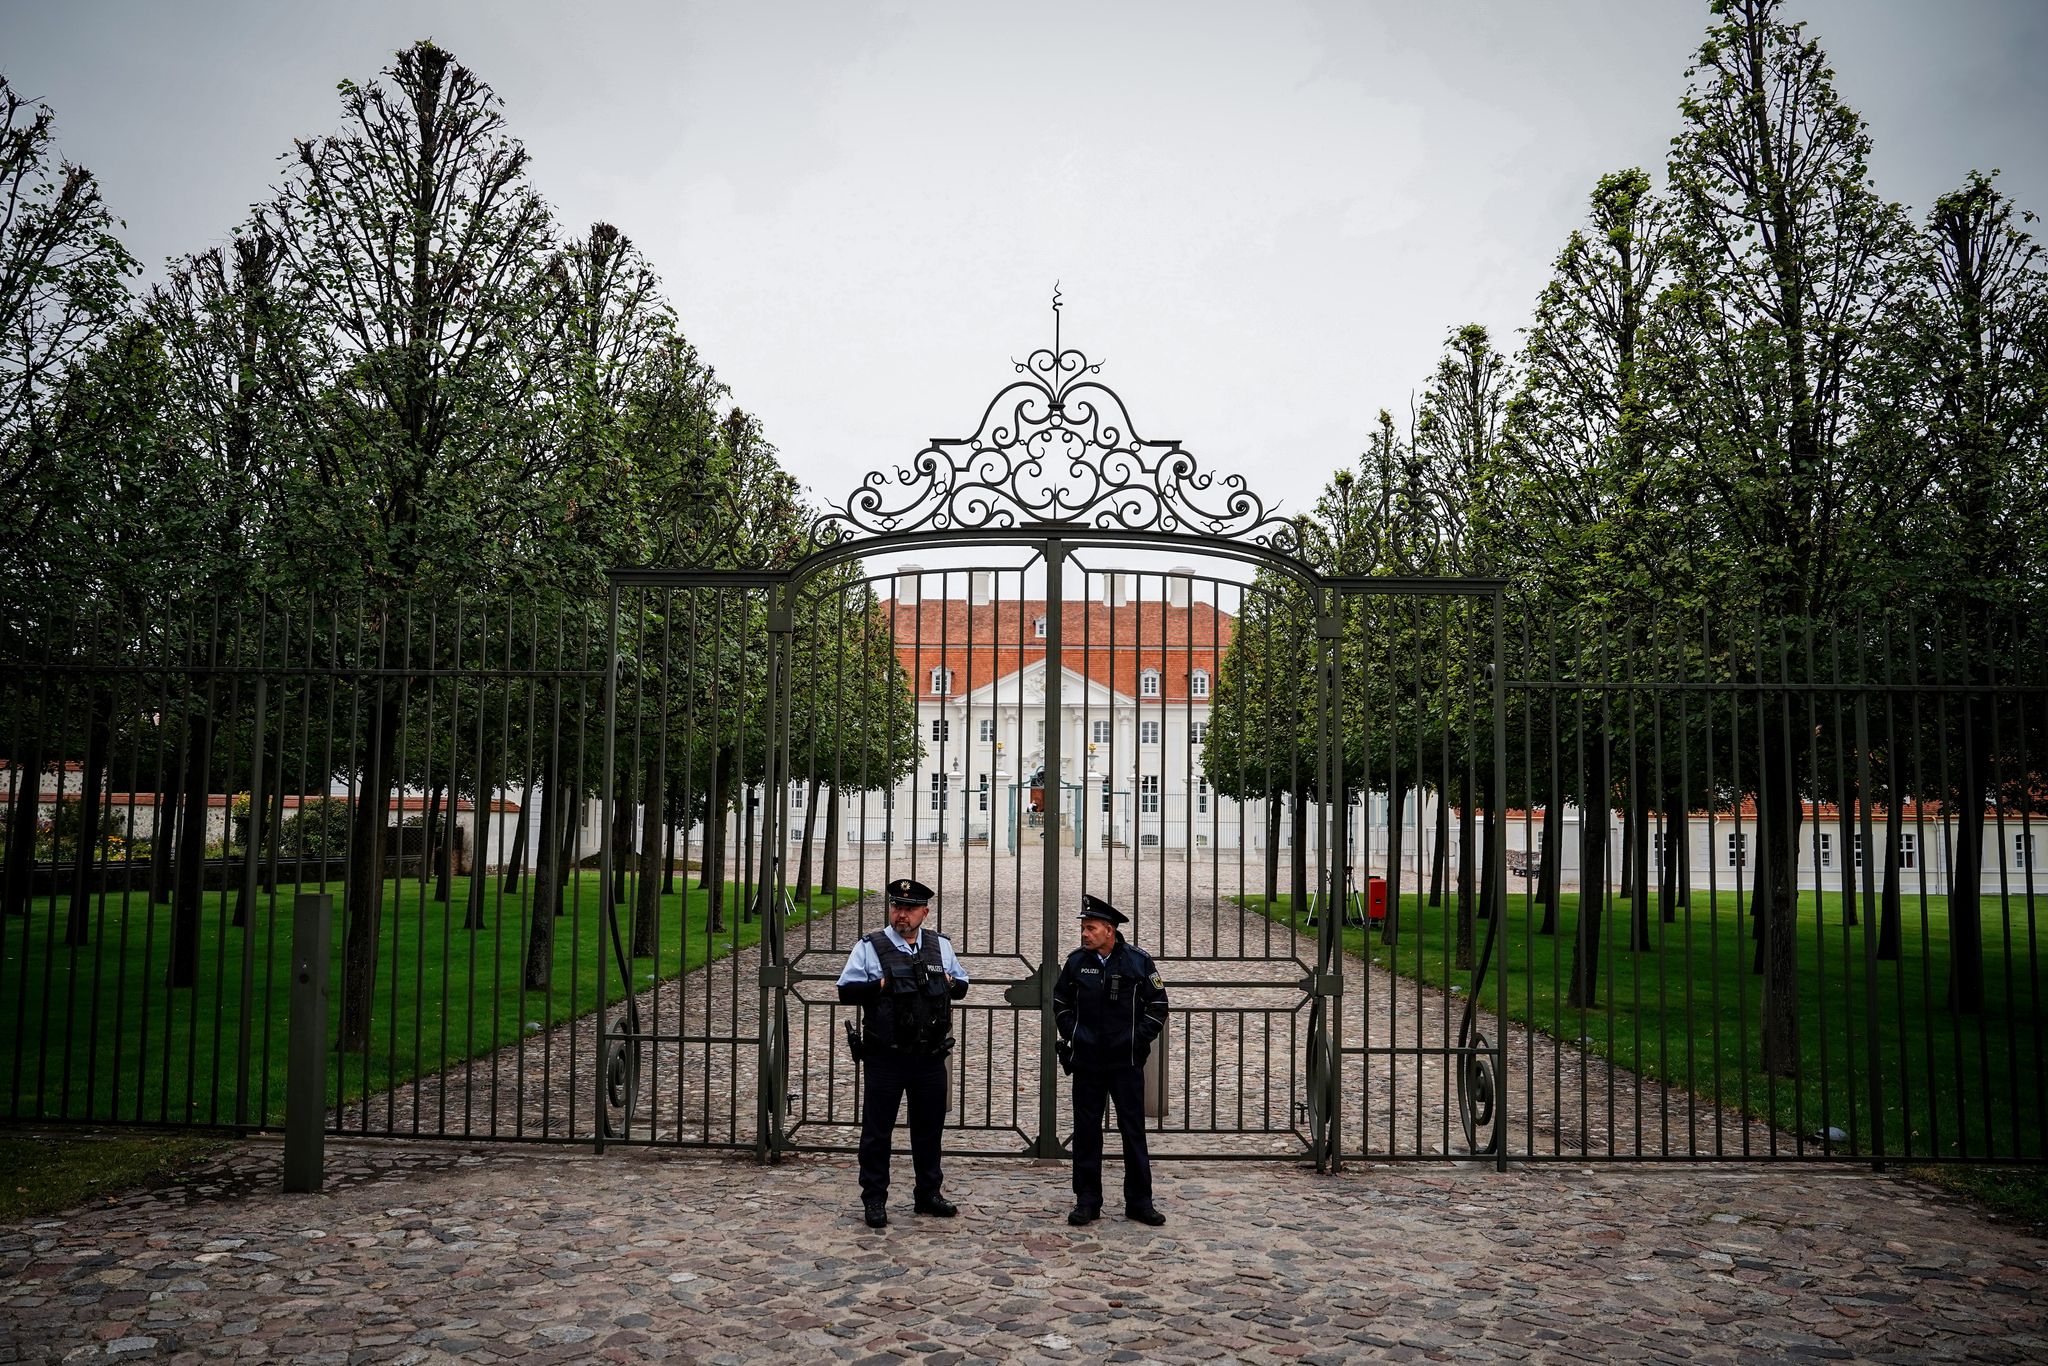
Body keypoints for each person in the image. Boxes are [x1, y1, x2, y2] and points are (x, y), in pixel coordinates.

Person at [836, 877, 970, 1229]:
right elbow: (846, 991)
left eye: (910, 909)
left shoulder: (940, 946)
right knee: (878, 1131)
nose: (902, 915)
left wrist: (946, 982)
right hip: (886, 1056)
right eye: (897, 907)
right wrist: (882, 984)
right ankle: (875, 1198)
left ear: (924, 912)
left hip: (929, 1056)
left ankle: (928, 1192)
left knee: (929, 1130)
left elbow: (962, 987)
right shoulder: (871, 946)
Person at [1052, 894, 1169, 1227]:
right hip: (1088, 1060)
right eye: (1083, 928)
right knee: (1086, 1131)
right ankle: (1087, 1201)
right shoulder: (1076, 962)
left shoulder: (1137, 962)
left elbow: (1158, 1005)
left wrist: (1134, 1039)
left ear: (1109, 930)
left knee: (1132, 1131)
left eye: (1091, 928)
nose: (1085, 934)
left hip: (1125, 1062)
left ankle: (1139, 1201)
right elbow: (1060, 1001)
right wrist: (1075, 1032)